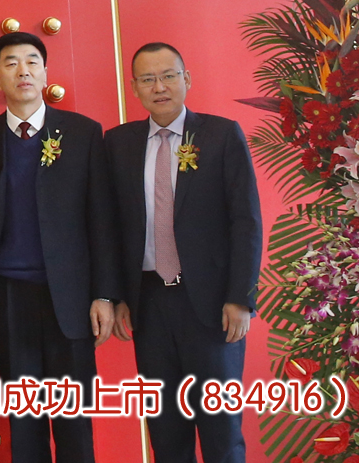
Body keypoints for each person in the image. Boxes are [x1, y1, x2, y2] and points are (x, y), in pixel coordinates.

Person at [0, 33, 120, 463]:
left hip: (70, 299)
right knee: (24, 425)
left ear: (46, 73)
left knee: (74, 425)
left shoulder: (83, 133)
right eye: (11, 63)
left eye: (32, 61)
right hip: (9, 298)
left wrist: (104, 294)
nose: (23, 71)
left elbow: (101, 220)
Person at [105, 42, 261, 463]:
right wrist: (118, 296)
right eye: (147, 79)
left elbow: (246, 222)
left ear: (186, 79)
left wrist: (240, 298)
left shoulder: (220, 135)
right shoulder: (118, 144)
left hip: (212, 306)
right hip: (150, 304)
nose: (159, 87)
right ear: (134, 88)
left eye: (168, 76)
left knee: (221, 432)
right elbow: (111, 226)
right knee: (166, 433)